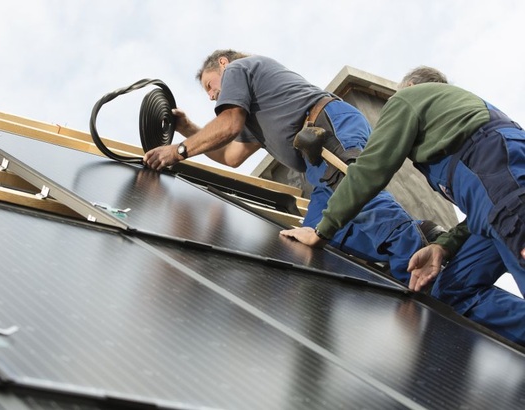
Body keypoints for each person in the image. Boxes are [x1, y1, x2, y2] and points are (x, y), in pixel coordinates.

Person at [143, 49, 443, 285]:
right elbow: (230, 156)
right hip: (314, 162)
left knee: (354, 191)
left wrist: (179, 151)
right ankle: (418, 235)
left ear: (222, 64)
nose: (210, 95)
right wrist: (187, 129)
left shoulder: (238, 69)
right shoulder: (253, 116)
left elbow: (228, 123)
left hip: (326, 127)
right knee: (316, 238)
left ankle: (420, 262)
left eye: (210, 85)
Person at [281, 66, 525, 344]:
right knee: (452, 291)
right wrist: (442, 246)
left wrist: (322, 230)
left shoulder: (408, 99)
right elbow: (486, 210)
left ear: (408, 86)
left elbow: (370, 168)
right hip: (497, 213)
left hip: (510, 208)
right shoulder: (463, 130)